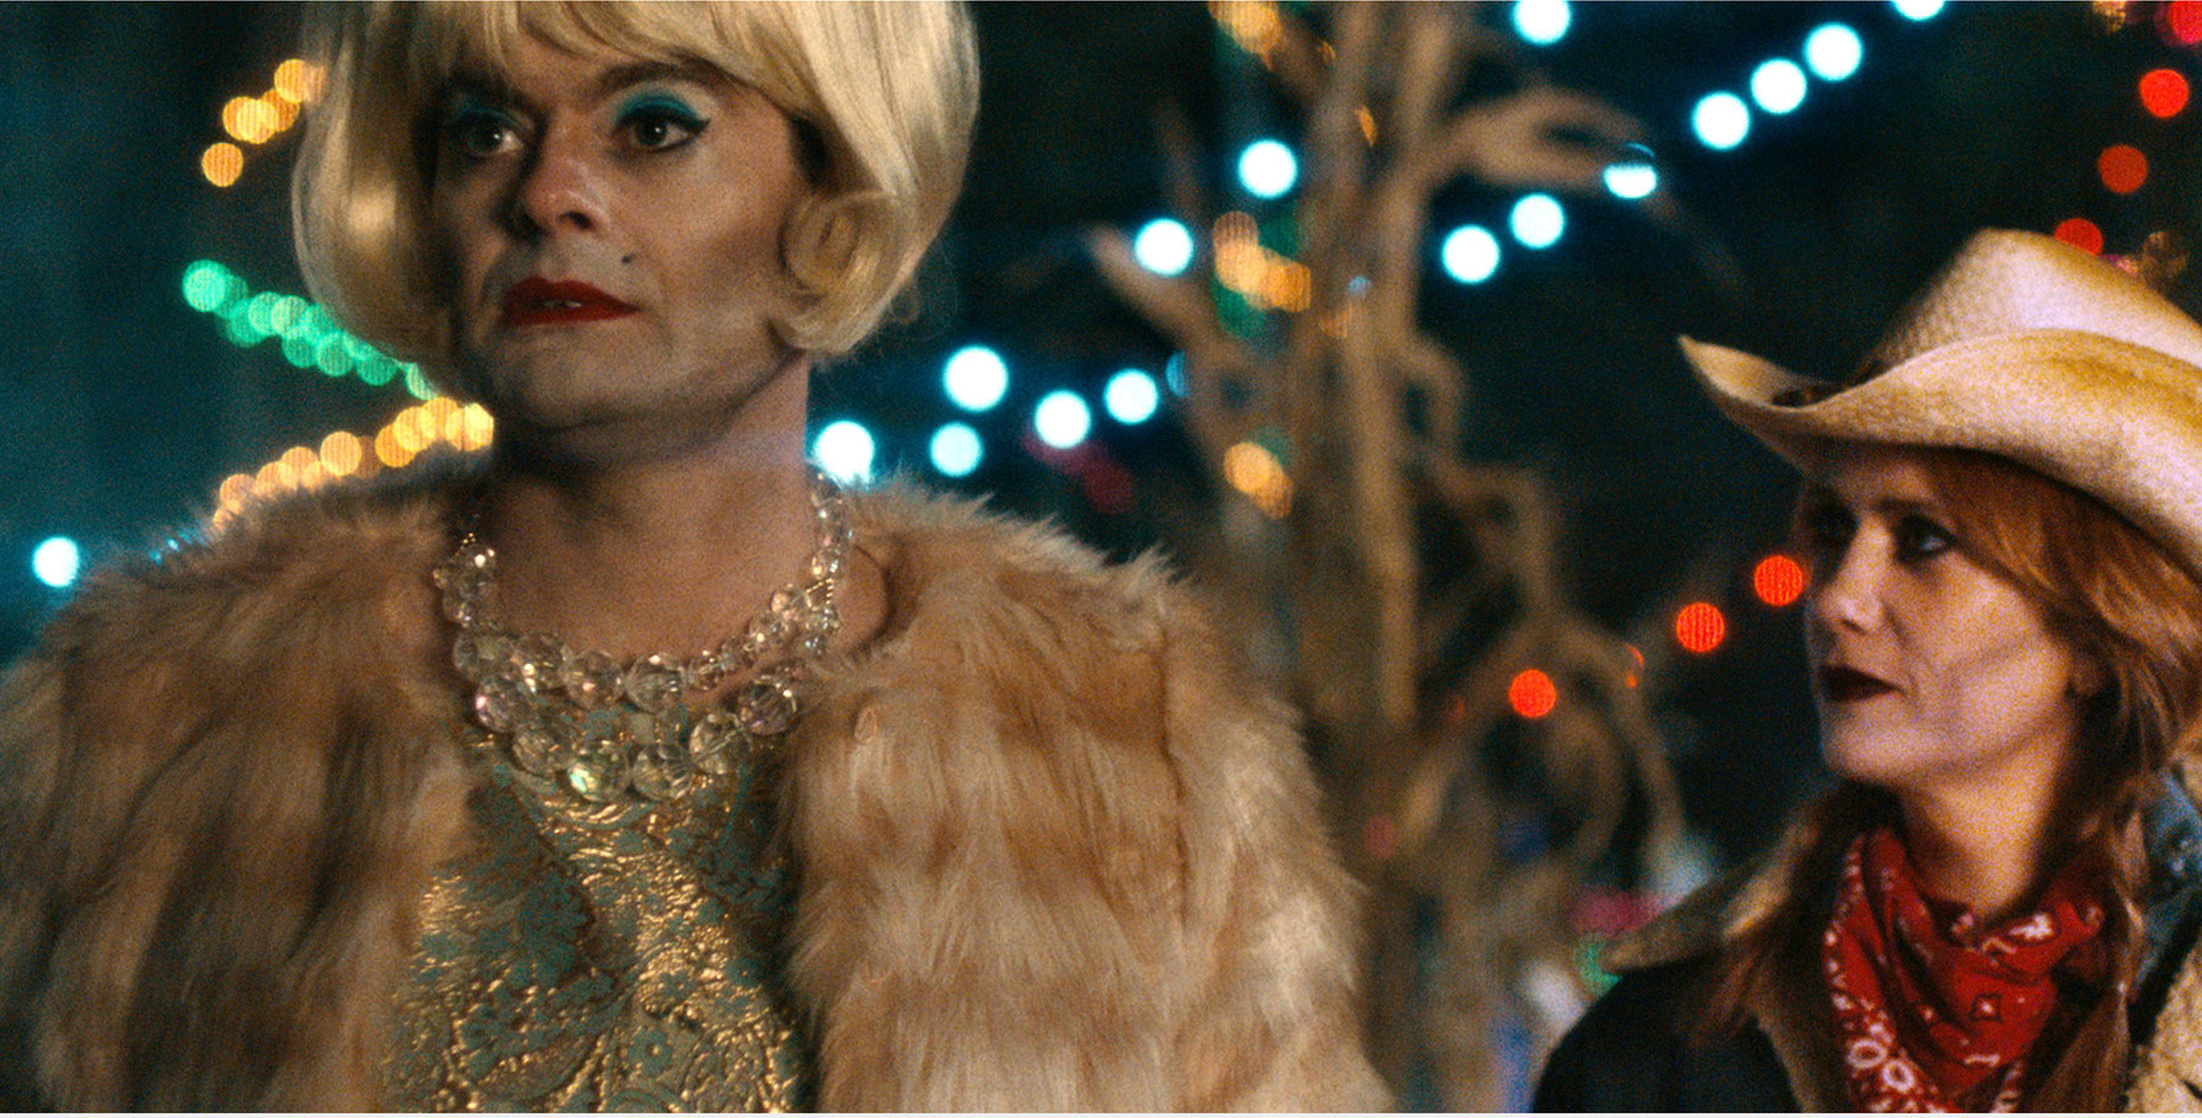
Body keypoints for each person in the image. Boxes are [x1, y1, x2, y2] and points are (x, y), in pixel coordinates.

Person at [0, 2, 1385, 1110]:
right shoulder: (149, 726)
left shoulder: (1129, 736)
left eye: (652, 125)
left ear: (833, 182)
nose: (548, 192)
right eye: (484, 130)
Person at [1535, 229, 2202, 1111]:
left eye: (1921, 538)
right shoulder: (1657, 1048)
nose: (1838, 597)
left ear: (2097, 633)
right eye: (1831, 528)